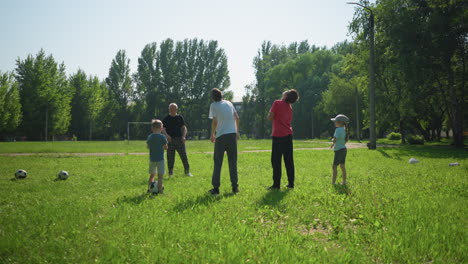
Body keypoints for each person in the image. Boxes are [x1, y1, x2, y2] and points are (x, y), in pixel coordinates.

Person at [208, 88, 240, 195]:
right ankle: (235, 187)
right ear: (222, 95)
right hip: (232, 135)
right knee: (233, 162)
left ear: (213, 97)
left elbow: (215, 121)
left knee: (218, 162)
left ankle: (216, 188)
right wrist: (236, 131)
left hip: (221, 136)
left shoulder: (213, 105)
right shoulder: (229, 103)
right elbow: (237, 117)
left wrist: (213, 134)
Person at [267, 89, 299, 190]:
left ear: (286, 96)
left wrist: (271, 113)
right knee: (289, 160)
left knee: (276, 161)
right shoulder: (290, 107)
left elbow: (270, 117)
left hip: (278, 135)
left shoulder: (277, 103)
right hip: (288, 135)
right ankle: (291, 183)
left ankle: (276, 185)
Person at [162, 103, 193, 177]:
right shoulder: (166, 119)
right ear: (169, 109)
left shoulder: (180, 117)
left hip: (180, 139)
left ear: (176, 109)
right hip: (170, 140)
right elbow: (163, 129)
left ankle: (187, 171)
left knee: (184, 156)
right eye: (171, 108)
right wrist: (167, 136)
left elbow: (184, 128)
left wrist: (184, 136)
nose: (172, 110)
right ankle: (170, 173)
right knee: (170, 157)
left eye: (174, 108)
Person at [147, 119, 168, 194]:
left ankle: (149, 189)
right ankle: (160, 190)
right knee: (160, 176)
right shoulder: (162, 137)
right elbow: (166, 147)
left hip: (152, 159)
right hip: (160, 159)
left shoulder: (150, 137)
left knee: (152, 175)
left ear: (152, 128)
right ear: (161, 128)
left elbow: (148, 146)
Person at [330, 114, 350, 185]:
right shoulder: (345, 130)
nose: (335, 123)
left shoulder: (337, 130)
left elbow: (335, 140)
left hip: (338, 151)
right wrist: (334, 143)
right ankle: (344, 182)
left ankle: (333, 182)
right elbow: (343, 140)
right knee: (342, 166)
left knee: (334, 166)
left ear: (340, 122)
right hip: (344, 149)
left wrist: (332, 141)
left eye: (336, 121)